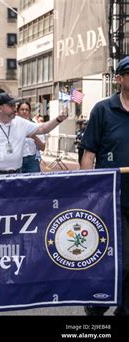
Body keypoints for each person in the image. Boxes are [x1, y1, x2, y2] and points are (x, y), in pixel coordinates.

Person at [80, 56, 129, 316]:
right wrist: (88, 193)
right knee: (114, 260)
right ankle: (96, 305)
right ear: (119, 79)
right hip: (111, 200)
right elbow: (88, 154)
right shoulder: (103, 110)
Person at [0, 92, 68, 176]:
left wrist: (58, 119)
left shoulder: (20, 122)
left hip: (16, 174)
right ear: (0, 108)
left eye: (14, 106)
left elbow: (43, 129)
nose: (15, 109)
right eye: (11, 106)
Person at [17, 101, 45, 173]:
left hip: (32, 160)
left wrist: (34, 136)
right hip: (17, 160)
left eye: (26, 110)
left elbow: (42, 147)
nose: (24, 111)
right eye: (22, 109)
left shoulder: (35, 126)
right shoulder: (12, 126)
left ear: (29, 112)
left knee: (35, 183)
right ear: (17, 112)